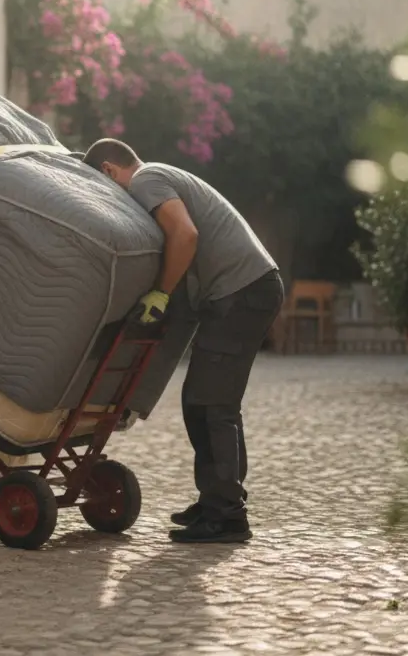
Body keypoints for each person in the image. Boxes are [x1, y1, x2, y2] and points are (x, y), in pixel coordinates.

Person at [82, 138, 284, 544]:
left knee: (211, 404)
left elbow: (185, 235)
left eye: (103, 187)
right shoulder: (160, 175)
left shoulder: (146, 180)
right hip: (244, 291)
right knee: (207, 402)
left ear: (108, 170)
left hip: (241, 292)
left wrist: (159, 292)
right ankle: (219, 500)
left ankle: (226, 515)